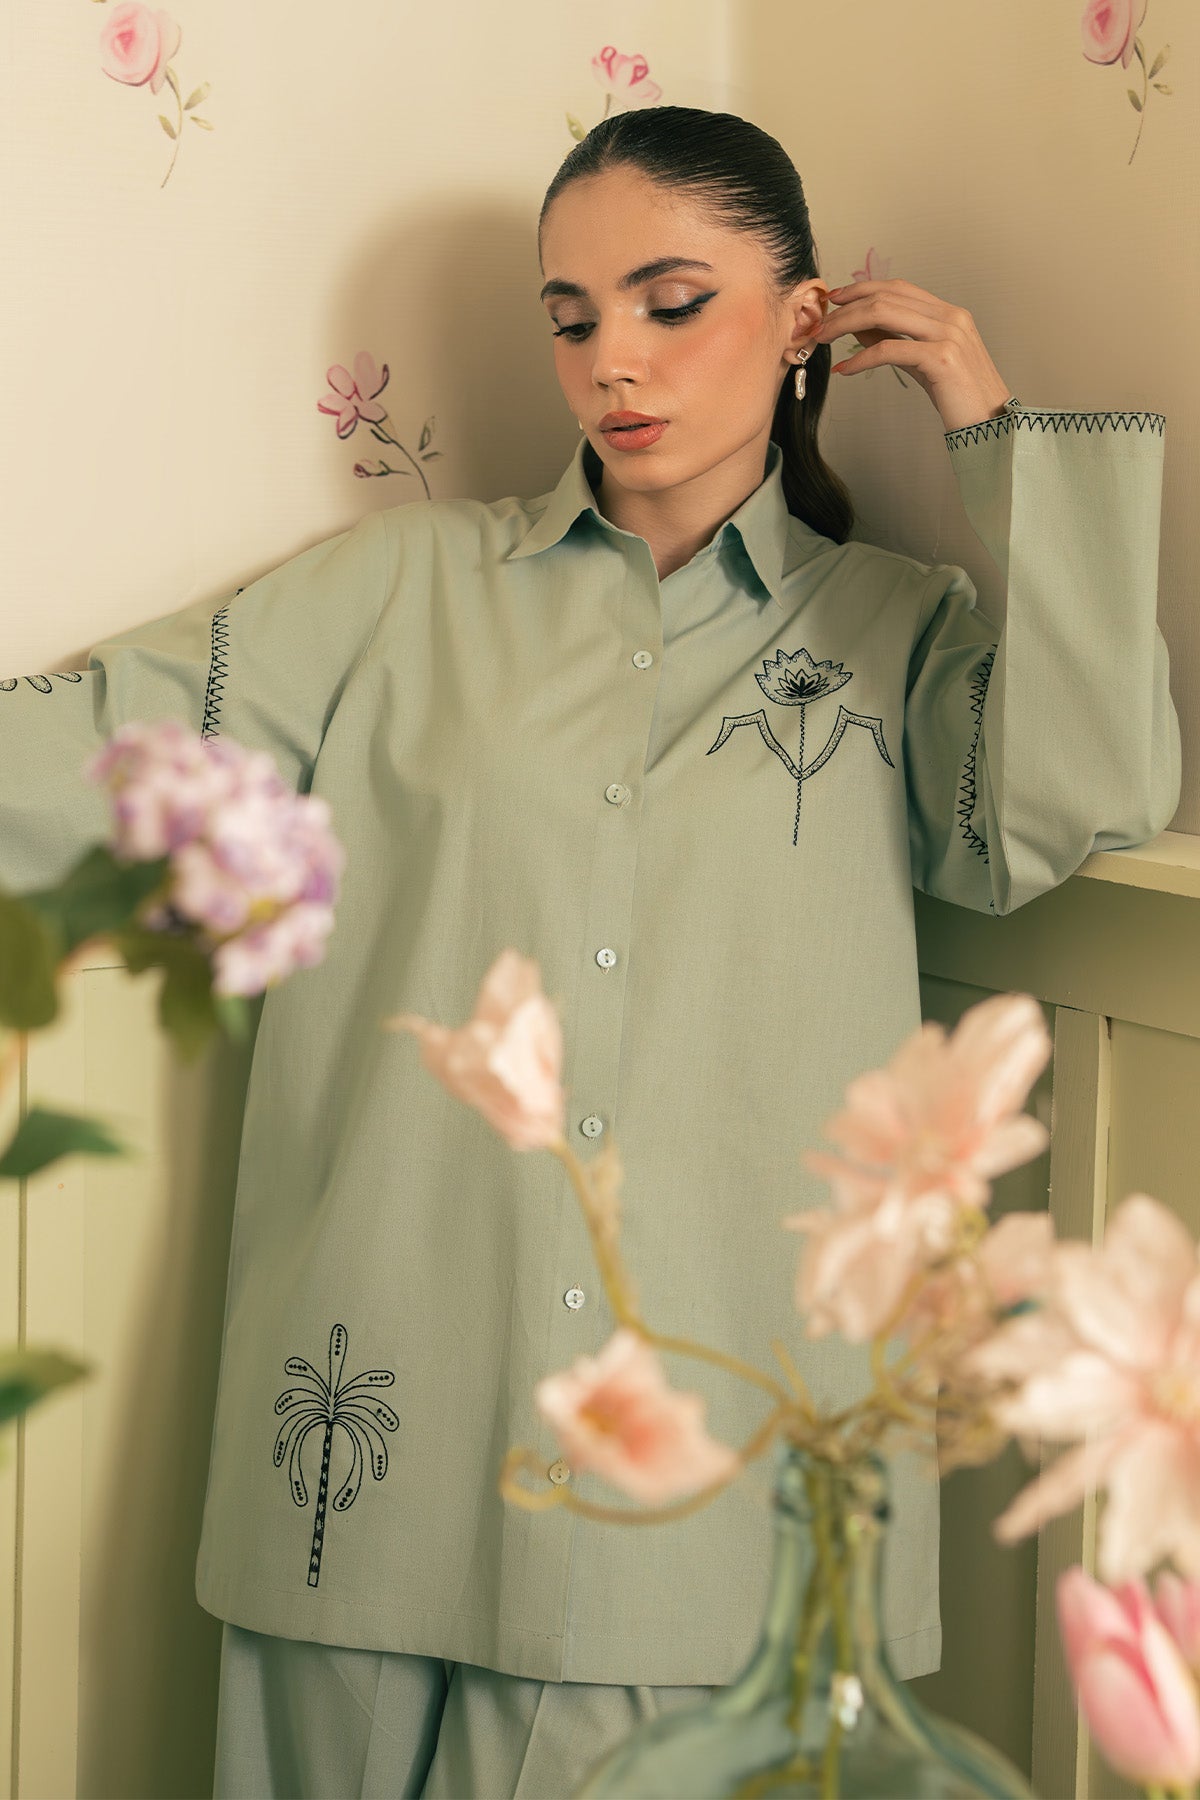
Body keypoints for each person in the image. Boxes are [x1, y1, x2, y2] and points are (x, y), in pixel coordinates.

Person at [0, 104, 1180, 1799]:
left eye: (671, 302)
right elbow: (104, 753)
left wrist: (994, 428)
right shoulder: (400, 594)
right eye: (570, 319)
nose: (611, 360)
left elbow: (1094, 789)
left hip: (706, 1511)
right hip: (376, 1453)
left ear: (802, 322)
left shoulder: (895, 634)